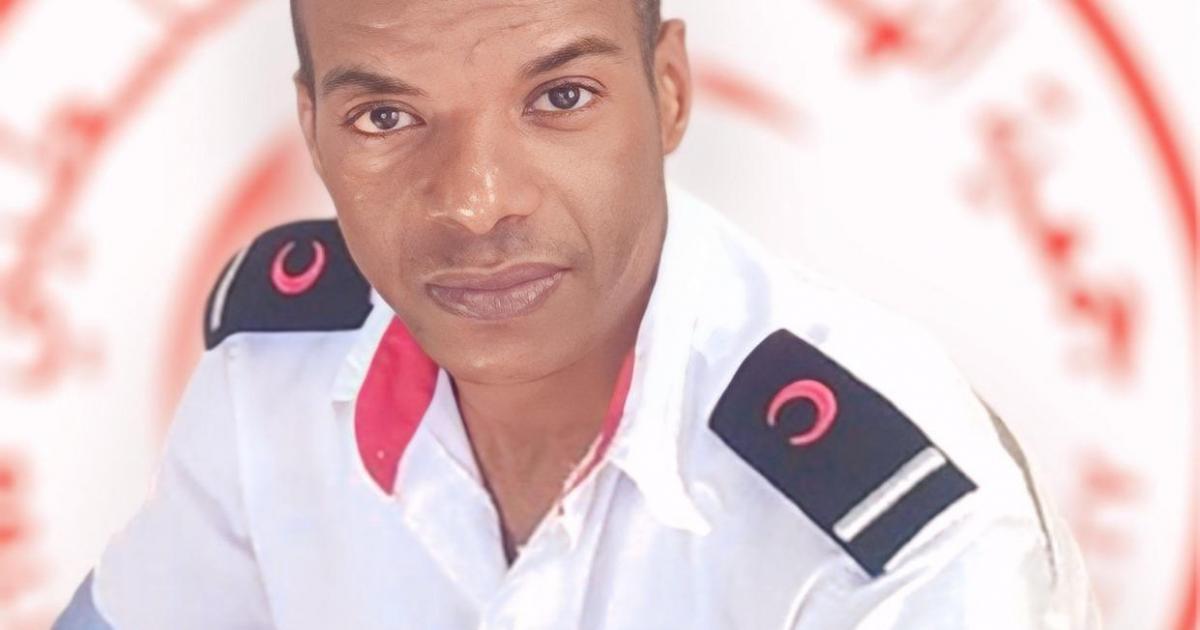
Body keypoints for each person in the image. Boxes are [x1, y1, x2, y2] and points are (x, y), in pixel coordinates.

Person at [55, 0, 1101, 628]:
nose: (476, 203)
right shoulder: (273, 376)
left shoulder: (890, 514)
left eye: (559, 99)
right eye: (386, 116)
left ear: (670, 92)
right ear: (313, 129)